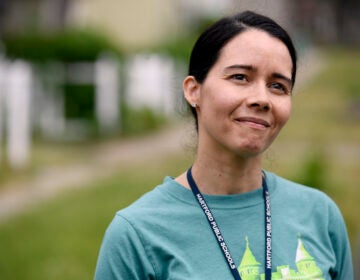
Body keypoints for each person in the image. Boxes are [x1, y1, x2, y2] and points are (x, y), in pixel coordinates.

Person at [94, 11, 353, 280]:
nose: (261, 99)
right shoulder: (137, 234)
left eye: (277, 86)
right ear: (194, 90)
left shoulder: (320, 216)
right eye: (240, 77)